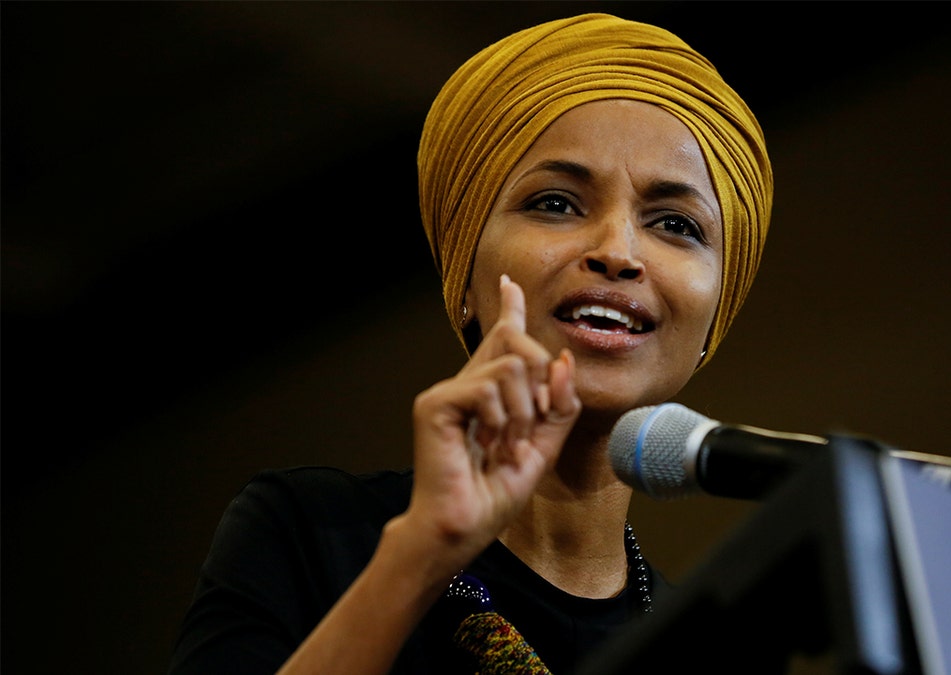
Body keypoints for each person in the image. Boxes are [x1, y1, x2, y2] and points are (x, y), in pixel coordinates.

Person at [168, 12, 772, 675]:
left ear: (716, 315)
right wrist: (422, 557)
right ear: (463, 273)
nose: (618, 252)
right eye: (557, 204)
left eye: (676, 223)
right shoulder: (310, 534)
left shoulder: (718, 653)